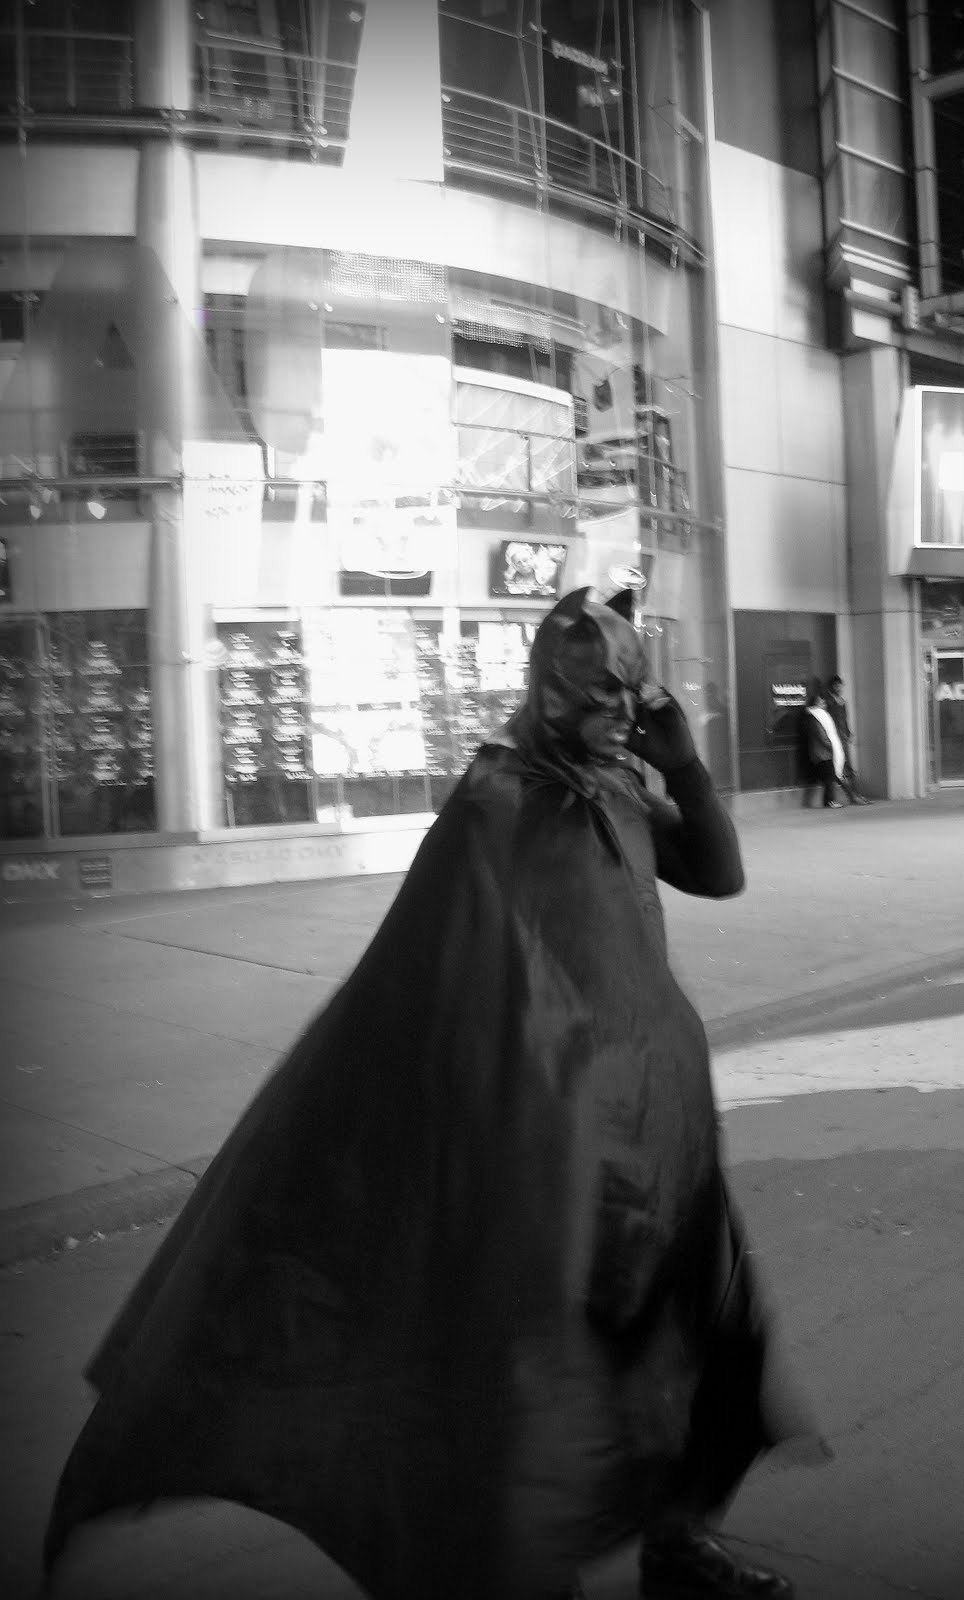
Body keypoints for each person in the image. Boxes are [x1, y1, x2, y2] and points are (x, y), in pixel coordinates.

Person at [42, 588, 831, 1600]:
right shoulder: (497, 798)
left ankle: (674, 1542)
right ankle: (527, 1565)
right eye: (600, 691)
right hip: (542, 1139)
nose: (619, 710)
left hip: (659, 1130)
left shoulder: (624, 787)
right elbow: (428, 971)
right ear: (550, 690)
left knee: (676, 1343)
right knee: (543, 1366)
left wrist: (680, 764)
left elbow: (718, 875)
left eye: (631, 691)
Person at [799, 683, 846, 809]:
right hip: (822, 753)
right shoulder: (815, 718)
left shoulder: (818, 717)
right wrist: (832, 747)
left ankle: (829, 800)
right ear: (816, 703)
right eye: (821, 702)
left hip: (823, 752)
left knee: (829, 777)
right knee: (829, 777)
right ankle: (830, 801)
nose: (824, 704)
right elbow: (822, 736)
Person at [826, 675, 867, 804]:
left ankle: (856, 795)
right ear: (832, 687)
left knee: (848, 768)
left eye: (840, 686)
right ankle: (853, 796)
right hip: (835, 739)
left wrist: (848, 733)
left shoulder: (842, 702)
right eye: (837, 686)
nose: (839, 688)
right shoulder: (829, 702)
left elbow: (844, 720)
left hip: (842, 738)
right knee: (841, 769)